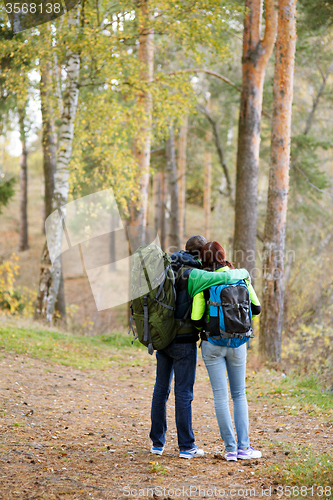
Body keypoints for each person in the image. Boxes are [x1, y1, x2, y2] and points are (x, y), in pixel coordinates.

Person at [149, 236, 250, 459]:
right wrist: (244, 273)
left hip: (162, 337)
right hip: (183, 342)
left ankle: (157, 443)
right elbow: (228, 275)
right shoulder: (195, 274)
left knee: (161, 389)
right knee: (183, 393)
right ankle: (186, 447)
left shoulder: (166, 268)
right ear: (198, 255)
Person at [191, 241, 262, 461]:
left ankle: (230, 449)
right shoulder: (239, 277)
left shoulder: (203, 282)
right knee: (239, 395)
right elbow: (256, 308)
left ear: (203, 259)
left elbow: (195, 320)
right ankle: (244, 447)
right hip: (238, 344)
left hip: (212, 345)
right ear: (223, 256)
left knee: (220, 397)